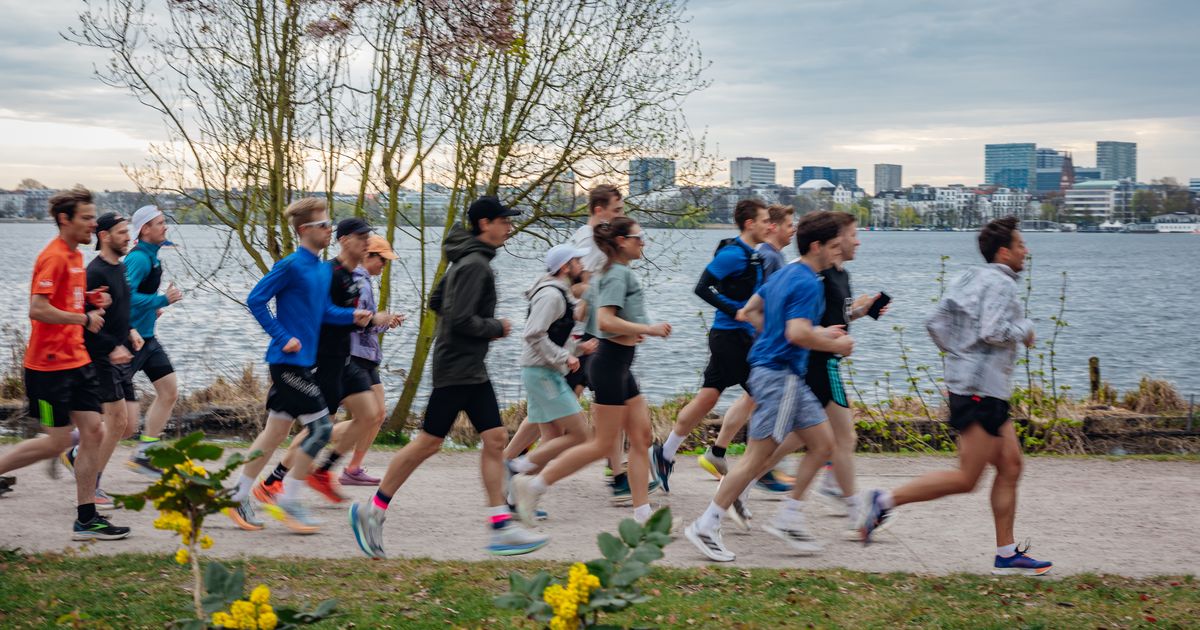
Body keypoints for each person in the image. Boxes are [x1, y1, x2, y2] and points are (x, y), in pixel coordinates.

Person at [349, 196, 548, 558]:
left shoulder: (466, 260)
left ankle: (500, 525)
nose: (510, 226)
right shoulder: (475, 265)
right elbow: (458, 318)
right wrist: (496, 326)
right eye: (504, 220)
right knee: (429, 442)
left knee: (495, 438)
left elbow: (437, 301)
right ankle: (371, 510)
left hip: (467, 365)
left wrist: (470, 326)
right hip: (458, 367)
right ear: (485, 224)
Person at [858, 216, 1053, 577]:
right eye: (1022, 245)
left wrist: (958, 355)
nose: (1027, 251)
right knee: (966, 478)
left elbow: (934, 321)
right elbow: (994, 331)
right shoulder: (1002, 285)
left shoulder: (969, 278)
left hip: (981, 389)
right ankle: (883, 501)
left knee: (1011, 466)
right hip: (980, 393)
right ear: (1004, 251)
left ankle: (1007, 554)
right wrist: (1024, 329)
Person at [684, 211, 851, 562]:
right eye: (835, 245)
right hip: (779, 376)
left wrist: (783, 334)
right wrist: (833, 342)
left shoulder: (787, 272)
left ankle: (788, 517)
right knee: (754, 459)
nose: (840, 251)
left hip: (779, 372)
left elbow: (750, 311)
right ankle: (705, 523)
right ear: (817, 246)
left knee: (823, 444)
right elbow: (797, 332)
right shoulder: (806, 281)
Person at [511, 217, 672, 527]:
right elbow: (607, 321)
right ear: (622, 242)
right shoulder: (615, 275)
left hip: (621, 362)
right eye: (639, 237)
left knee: (640, 438)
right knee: (599, 444)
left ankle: (643, 517)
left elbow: (587, 313)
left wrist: (627, 329)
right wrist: (646, 329)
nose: (643, 242)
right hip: (610, 365)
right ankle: (530, 485)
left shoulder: (609, 275)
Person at [224, 198, 371, 534]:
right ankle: (289, 502)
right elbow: (255, 299)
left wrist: (353, 315)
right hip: (286, 363)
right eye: (323, 224)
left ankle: (238, 495)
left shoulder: (321, 270)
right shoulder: (290, 265)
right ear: (305, 230)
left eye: (329, 223)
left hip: (304, 364)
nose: (329, 229)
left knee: (274, 432)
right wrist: (281, 335)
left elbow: (323, 314)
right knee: (320, 429)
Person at [0, 188, 130, 540]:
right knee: (56, 443)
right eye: (87, 218)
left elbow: (67, 300)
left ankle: (86, 519)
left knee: (94, 431)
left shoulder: (75, 257)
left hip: (78, 362)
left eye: (93, 217)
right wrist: (83, 320)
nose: (93, 224)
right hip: (47, 369)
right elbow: (38, 308)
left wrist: (89, 300)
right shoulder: (54, 257)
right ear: (65, 220)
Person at [251, 219, 400, 506]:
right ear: (345, 240)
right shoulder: (328, 273)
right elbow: (321, 315)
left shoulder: (353, 278)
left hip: (346, 358)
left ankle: (323, 470)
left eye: (368, 239)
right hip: (322, 359)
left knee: (371, 415)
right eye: (363, 239)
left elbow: (348, 317)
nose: (367, 244)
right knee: (315, 429)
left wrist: (370, 321)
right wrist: (370, 321)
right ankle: (274, 481)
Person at [656, 199, 771, 493]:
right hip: (731, 337)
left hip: (735, 336)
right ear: (749, 223)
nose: (767, 225)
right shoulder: (734, 254)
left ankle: (665, 453)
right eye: (764, 220)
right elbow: (702, 286)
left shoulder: (754, 255)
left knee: (707, 399)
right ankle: (758, 469)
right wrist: (735, 310)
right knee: (764, 396)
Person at [696, 203, 799, 494]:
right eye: (789, 225)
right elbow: (760, 300)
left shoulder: (769, 255)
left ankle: (716, 453)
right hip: (750, 337)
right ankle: (761, 468)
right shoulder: (766, 255)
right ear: (772, 226)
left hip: (747, 336)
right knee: (766, 399)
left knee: (749, 398)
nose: (794, 230)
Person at [806, 212, 891, 534]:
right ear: (837, 240)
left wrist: (861, 310)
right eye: (854, 234)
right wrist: (826, 337)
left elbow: (837, 316)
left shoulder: (841, 276)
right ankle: (856, 510)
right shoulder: (820, 276)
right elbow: (802, 323)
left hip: (826, 362)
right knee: (845, 437)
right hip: (821, 363)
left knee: (792, 440)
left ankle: (739, 488)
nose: (858, 240)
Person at [504, 244, 591, 522]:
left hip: (543, 370)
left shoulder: (559, 293)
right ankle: (514, 468)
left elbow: (554, 335)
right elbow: (533, 334)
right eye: (577, 261)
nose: (582, 265)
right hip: (542, 373)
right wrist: (564, 356)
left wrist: (579, 351)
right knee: (580, 434)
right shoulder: (551, 295)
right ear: (566, 267)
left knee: (552, 439)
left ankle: (514, 502)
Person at [567, 185, 631, 502]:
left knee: (610, 401)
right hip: (583, 334)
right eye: (616, 210)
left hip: (596, 332)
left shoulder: (599, 239)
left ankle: (617, 472)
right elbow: (579, 285)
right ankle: (518, 462)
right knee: (559, 407)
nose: (621, 215)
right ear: (598, 210)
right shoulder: (585, 241)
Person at [81, 213, 143, 508]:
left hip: (120, 354)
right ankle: (91, 483)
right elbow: (85, 323)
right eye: (121, 232)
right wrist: (110, 347)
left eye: (127, 231)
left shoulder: (119, 269)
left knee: (128, 425)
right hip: (101, 357)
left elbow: (118, 310)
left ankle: (77, 454)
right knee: (116, 420)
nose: (127, 237)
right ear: (104, 236)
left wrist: (130, 331)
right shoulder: (95, 273)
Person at [124, 205, 184, 477]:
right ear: (145, 229)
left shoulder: (153, 256)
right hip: (130, 340)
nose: (165, 227)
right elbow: (124, 296)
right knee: (113, 410)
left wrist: (153, 308)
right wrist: (161, 300)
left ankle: (144, 453)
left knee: (169, 391)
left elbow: (139, 298)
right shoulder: (138, 258)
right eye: (160, 223)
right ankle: (77, 446)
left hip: (148, 338)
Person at [339, 233, 403, 486]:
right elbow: (356, 323)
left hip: (367, 356)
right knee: (369, 416)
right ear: (368, 255)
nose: (384, 266)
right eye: (382, 260)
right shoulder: (359, 282)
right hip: (355, 356)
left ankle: (353, 468)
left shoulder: (365, 281)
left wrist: (386, 323)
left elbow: (368, 324)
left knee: (377, 415)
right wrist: (379, 320)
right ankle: (319, 436)